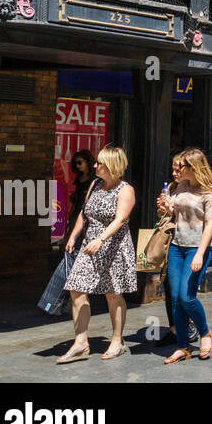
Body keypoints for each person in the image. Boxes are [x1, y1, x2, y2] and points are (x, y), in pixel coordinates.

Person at [56, 146, 137, 364]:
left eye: (99, 163)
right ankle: (81, 342)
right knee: (76, 288)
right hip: (89, 245)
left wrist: (101, 239)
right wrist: (73, 236)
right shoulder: (95, 184)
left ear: (111, 166)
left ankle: (117, 340)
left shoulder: (125, 190)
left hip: (114, 247)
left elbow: (120, 220)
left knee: (113, 293)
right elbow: (84, 213)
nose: (95, 166)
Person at [158, 148, 212, 364]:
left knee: (187, 297)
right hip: (177, 245)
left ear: (193, 168)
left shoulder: (209, 192)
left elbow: (210, 226)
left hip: (197, 248)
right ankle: (183, 347)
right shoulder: (181, 187)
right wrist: (165, 208)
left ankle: (204, 333)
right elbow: (172, 213)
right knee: (175, 299)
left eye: (181, 166)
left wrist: (200, 255)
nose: (177, 170)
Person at [158, 153, 197, 347]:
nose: (175, 173)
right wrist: (163, 208)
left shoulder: (194, 191)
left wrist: (172, 209)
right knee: (170, 287)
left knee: (185, 290)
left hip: (188, 243)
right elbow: (164, 216)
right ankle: (174, 329)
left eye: (178, 169)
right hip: (170, 242)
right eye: (173, 169)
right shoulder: (172, 188)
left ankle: (192, 325)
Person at [67, 150, 100, 229]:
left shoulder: (95, 178)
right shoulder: (78, 178)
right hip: (77, 211)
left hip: (89, 214)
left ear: (87, 162)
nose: (77, 166)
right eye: (76, 164)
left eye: (79, 163)